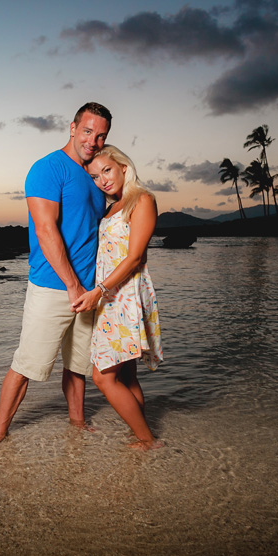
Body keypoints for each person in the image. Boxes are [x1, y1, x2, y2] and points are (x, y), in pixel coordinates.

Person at [0, 102, 112, 445]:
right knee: (27, 364)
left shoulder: (93, 176)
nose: (93, 141)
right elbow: (45, 230)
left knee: (78, 366)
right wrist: (72, 285)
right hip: (53, 287)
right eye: (87, 131)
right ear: (72, 128)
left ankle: (77, 425)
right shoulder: (47, 169)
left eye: (101, 136)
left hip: (88, 290)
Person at [71, 145, 164, 450]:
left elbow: (135, 256)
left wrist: (98, 292)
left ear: (123, 166)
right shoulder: (112, 206)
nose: (103, 180)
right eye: (96, 177)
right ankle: (141, 433)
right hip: (111, 295)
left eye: (107, 171)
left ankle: (146, 439)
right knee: (126, 375)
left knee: (102, 377)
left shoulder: (142, 200)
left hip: (124, 296)